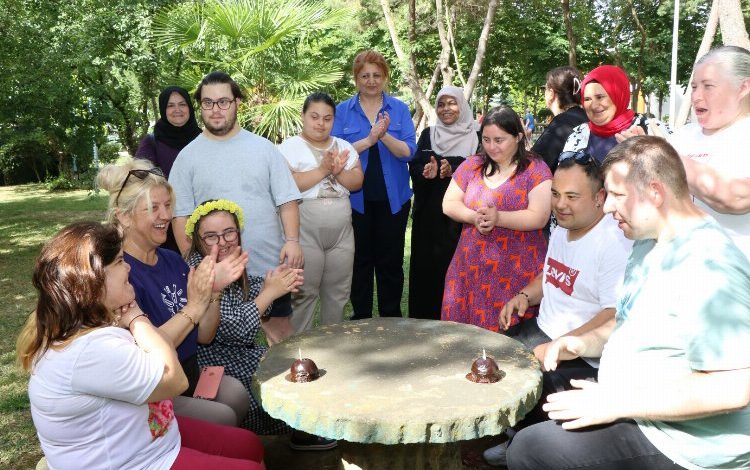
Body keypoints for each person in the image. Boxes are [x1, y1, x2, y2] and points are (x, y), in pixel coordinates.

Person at [506, 136, 750, 470]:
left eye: (617, 195)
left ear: (655, 192)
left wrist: (615, 402)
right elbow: (627, 321)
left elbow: (733, 388)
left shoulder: (709, 265)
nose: (607, 207)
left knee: (530, 450)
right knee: (533, 389)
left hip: (682, 442)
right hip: (634, 403)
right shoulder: (648, 239)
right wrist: (579, 343)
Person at [19, 222, 265, 469]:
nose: (128, 267)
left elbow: (157, 347)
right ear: (92, 281)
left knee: (249, 445)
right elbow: (174, 381)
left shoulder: (91, 324)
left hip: (147, 442)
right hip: (135, 463)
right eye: (119, 261)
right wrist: (138, 317)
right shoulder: (88, 350)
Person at [482, 151, 632, 466]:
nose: (560, 204)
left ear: (599, 198)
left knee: (529, 382)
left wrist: (560, 346)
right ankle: (514, 437)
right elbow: (552, 274)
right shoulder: (563, 228)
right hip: (544, 327)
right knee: (493, 356)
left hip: (586, 354)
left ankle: (525, 444)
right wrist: (524, 296)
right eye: (555, 194)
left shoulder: (613, 242)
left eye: (571, 196)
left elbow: (613, 315)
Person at [97, 159, 250, 427]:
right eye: (154, 208)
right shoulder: (120, 276)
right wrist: (194, 307)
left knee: (236, 394)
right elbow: (147, 353)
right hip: (157, 388)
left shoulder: (172, 260)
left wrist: (214, 291)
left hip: (189, 372)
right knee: (223, 416)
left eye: (168, 205)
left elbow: (204, 336)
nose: (166, 216)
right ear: (124, 216)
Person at [182, 200, 335, 450]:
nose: (222, 242)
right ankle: (294, 432)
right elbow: (236, 330)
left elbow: (247, 295)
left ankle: (302, 429)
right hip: (213, 361)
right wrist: (269, 293)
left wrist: (273, 283)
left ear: (238, 232)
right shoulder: (201, 269)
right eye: (211, 236)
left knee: (300, 365)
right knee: (278, 382)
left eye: (229, 232)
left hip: (235, 354)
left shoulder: (228, 260)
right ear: (198, 240)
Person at [169, 71, 302, 344]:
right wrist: (197, 266)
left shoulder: (264, 149)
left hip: (268, 265)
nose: (215, 109)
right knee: (226, 344)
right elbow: (180, 217)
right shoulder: (187, 157)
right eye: (208, 103)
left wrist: (292, 241)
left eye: (223, 102)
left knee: (280, 337)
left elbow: (287, 200)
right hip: (218, 276)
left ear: (237, 102)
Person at [442, 106, 552, 332]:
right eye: (486, 140)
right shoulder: (471, 165)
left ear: (518, 137)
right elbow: (449, 203)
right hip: (468, 271)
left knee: (507, 341)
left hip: (516, 275)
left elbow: (539, 216)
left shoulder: (535, 169)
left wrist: (498, 218)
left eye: (499, 140)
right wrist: (475, 217)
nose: (492, 147)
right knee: (461, 339)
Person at [332, 50, 417, 320]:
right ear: (356, 79)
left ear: (385, 77)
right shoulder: (342, 111)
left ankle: (391, 319)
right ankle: (362, 319)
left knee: (390, 263)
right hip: (355, 200)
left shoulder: (399, 109)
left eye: (377, 75)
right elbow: (336, 153)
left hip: (394, 201)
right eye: (365, 76)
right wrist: (369, 139)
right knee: (360, 262)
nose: (371, 81)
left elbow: (409, 152)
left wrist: (384, 135)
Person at [279, 92, 363, 332]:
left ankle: (332, 344)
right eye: (314, 117)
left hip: (341, 233)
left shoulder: (344, 147)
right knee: (303, 293)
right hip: (305, 230)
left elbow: (357, 181)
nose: (320, 123)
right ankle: (299, 348)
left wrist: (338, 172)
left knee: (338, 292)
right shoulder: (288, 148)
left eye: (327, 118)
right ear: (303, 116)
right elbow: (287, 185)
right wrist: (323, 170)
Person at [668, 45, 750, 257]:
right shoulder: (683, 135)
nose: (696, 96)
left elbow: (735, 198)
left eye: (708, 86)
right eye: (694, 87)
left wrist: (662, 156)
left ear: (743, 88)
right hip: (680, 263)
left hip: (734, 269)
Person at [408, 86, 479, 320]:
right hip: (428, 220)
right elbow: (415, 165)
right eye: (441, 104)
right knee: (426, 273)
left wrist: (454, 169)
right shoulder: (429, 134)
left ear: (462, 105)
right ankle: (422, 324)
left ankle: (456, 321)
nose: (446, 109)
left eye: (452, 103)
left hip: (460, 221)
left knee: (456, 271)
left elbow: (482, 171)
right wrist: (426, 170)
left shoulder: (477, 136)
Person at [135, 86, 203, 253]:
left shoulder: (204, 140)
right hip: (165, 223)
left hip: (204, 220)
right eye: (170, 105)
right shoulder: (152, 142)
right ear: (163, 110)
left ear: (190, 108)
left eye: (182, 104)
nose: (177, 109)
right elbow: (139, 178)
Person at [561, 65, 669, 163]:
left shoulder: (652, 129)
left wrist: (649, 156)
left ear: (618, 95)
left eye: (600, 97)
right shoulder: (578, 134)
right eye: (587, 99)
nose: (594, 105)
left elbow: (674, 173)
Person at [532, 66, 588, 172]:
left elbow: (535, 166)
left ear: (551, 93)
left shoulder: (560, 124)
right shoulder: (589, 117)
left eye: (545, 89)